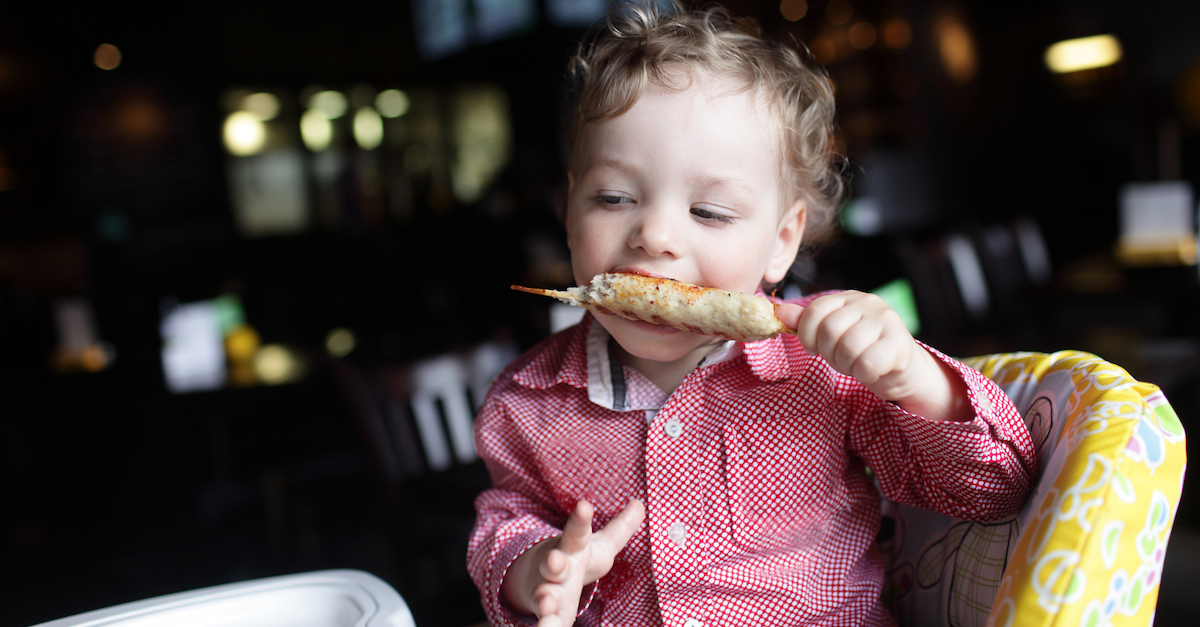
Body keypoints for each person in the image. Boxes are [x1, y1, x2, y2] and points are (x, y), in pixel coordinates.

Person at [467, 3, 1035, 626]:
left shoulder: (825, 368)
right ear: (570, 208)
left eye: (710, 212)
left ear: (782, 241)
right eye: (614, 198)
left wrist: (913, 381)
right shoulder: (523, 403)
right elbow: (505, 521)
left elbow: (996, 491)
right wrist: (536, 569)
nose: (654, 236)